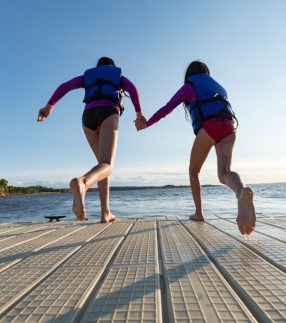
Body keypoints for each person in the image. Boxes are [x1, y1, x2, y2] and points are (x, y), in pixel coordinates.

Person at [136, 60, 256, 235]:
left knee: (193, 170)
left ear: (189, 74)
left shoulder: (189, 86)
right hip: (229, 127)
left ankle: (199, 213)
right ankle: (241, 192)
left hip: (210, 126)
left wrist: (147, 123)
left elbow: (167, 108)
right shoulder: (219, 87)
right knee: (224, 172)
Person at [38, 57, 146, 222]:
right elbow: (132, 88)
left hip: (88, 117)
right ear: (112, 66)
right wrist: (139, 115)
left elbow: (65, 86)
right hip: (108, 112)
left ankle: (105, 213)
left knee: (101, 166)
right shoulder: (118, 76)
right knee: (107, 166)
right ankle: (83, 183)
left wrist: (49, 106)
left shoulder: (87, 77)